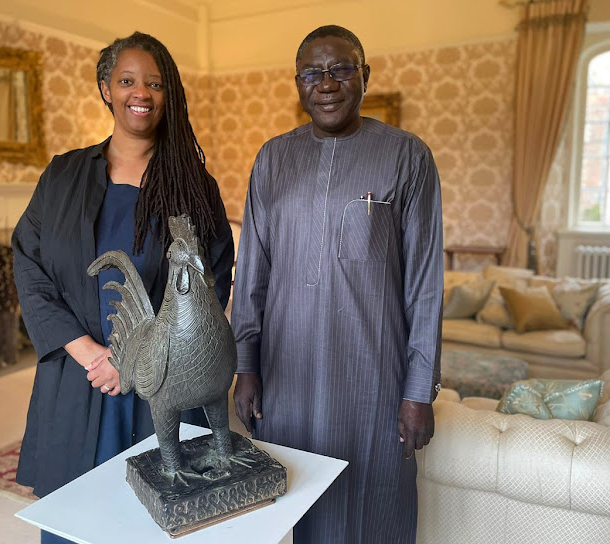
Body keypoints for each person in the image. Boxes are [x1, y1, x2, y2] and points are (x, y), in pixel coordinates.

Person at [12, 32, 234, 543]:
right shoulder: (64, 174)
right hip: (80, 373)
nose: (143, 93)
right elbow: (29, 263)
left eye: (155, 83)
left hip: (162, 380)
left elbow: (212, 276)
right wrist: (87, 351)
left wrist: (132, 359)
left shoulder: (191, 184)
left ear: (169, 92)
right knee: (75, 517)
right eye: (128, 80)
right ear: (106, 88)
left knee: (160, 519)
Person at [231, 25, 443, 543]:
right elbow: (253, 271)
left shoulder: (407, 156)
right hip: (287, 378)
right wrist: (246, 366)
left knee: (376, 501)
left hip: (373, 377)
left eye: (341, 69)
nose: (326, 83)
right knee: (293, 503)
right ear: (298, 83)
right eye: (312, 73)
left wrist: (419, 392)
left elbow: (425, 285)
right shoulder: (273, 159)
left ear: (364, 76)